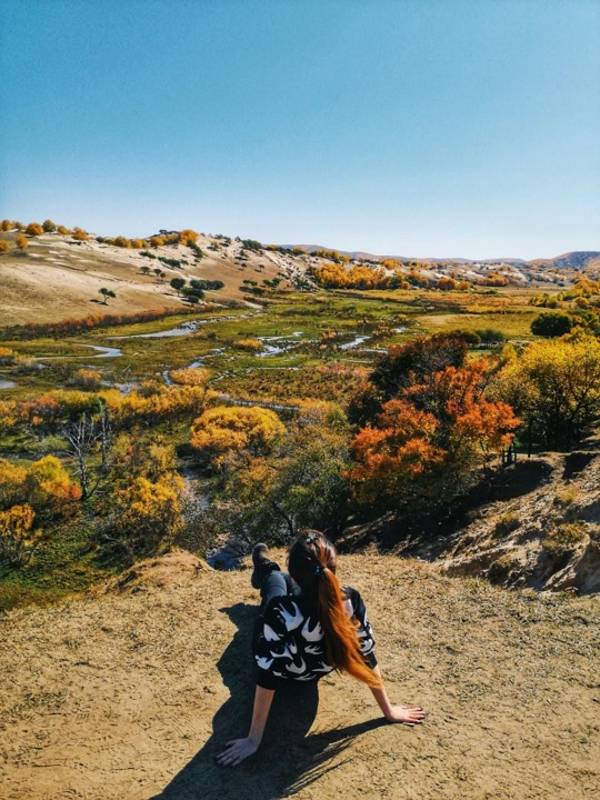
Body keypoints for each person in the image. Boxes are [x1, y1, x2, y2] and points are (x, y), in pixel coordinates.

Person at [217, 530, 426, 767]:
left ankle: (265, 566)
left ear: (296, 571)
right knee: (285, 584)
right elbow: (367, 654)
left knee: (275, 580)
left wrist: (253, 739)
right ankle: (271, 569)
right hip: (313, 671)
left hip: (287, 670)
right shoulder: (351, 600)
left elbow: (268, 673)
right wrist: (389, 711)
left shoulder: (280, 610)